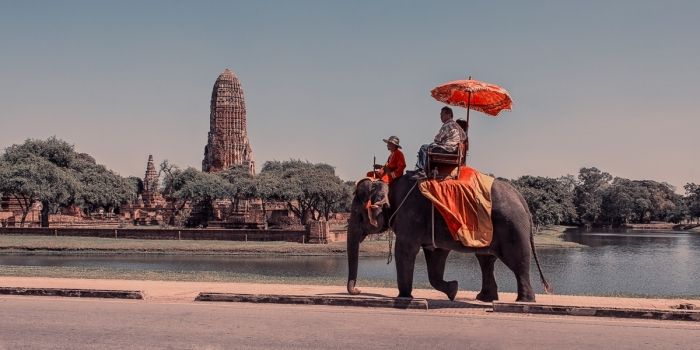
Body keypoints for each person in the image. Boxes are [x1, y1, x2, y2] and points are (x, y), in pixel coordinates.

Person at [415, 106, 467, 173]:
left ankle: (421, 170)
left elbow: (437, 139)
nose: (440, 116)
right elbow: (464, 137)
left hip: (447, 150)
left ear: (449, 115)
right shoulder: (457, 126)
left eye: (442, 114)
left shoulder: (447, 125)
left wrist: (444, 141)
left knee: (424, 147)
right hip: (455, 150)